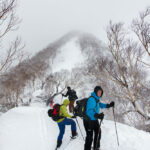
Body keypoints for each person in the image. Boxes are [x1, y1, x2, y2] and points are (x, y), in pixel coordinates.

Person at [84, 86, 114, 150]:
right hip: (88, 120)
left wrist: (108, 105)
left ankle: (96, 147)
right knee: (89, 137)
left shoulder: (96, 99)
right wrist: (97, 115)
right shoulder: (91, 99)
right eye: (99, 92)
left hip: (94, 119)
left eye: (101, 92)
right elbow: (89, 111)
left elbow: (100, 105)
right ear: (95, 91)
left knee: (98, 133)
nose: (100, 93)